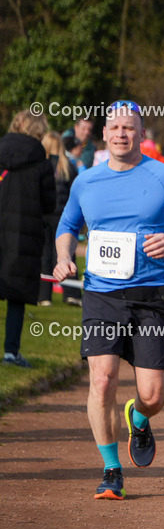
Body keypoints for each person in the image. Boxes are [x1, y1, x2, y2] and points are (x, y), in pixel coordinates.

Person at [53, 100, 164, 499]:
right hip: (101, 294)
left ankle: (137, 416)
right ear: (104, 134)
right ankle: (111, 469)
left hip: (150, 295)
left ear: (141, 133)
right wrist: (64, 257)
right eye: (115, 127)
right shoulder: (86, 181)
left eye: (129, 128)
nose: (122, 134)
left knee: (153, 394)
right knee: (101, 381)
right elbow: (67, 224)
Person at [0, 110, 57, 367]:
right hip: (24, 234)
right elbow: (49, 204)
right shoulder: (42, 163)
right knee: (16, 296)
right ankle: (11, 352)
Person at [39, 131, 78, 305]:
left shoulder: (40, 166)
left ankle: (43, 296)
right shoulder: (68, 166)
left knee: (44, 255)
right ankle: (72, 293)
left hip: (44, 214)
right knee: (67, 254)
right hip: (63, 215)